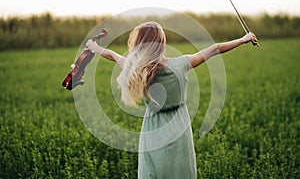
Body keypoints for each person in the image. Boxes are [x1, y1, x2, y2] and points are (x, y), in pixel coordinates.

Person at [86, 21, 258, 179]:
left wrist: (94, 47)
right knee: (179, 170)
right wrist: (243, 39)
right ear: (162, 43)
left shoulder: (138, 69)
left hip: (153, 125)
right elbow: (215, 49)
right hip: (178, 124)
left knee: (153, 169)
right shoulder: (181, 63)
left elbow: (112, 55)